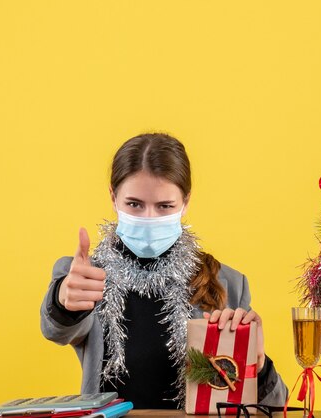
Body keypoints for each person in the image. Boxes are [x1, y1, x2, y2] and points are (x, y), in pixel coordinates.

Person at [40, 133, 288, 409]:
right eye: (134, 204)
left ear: (185, 203)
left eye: (165, 206)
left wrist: (259, 364)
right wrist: (64, 298)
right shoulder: (88, 276)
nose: (149, 218)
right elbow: (56, 330)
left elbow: (276, 407)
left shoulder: (227, 283)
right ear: (113, 197)